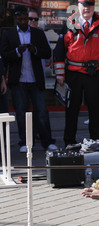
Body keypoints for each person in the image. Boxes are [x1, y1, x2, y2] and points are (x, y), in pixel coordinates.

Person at [53, 0, 99, 147]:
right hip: (73, 74)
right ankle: (69, 143)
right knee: (71, 111)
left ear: (94, 7)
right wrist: (60, 74)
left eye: (90, 6)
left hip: (94, 74)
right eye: (84, 5)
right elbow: (60, 51)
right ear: (78, 6)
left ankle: (96, 142)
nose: (87, 8)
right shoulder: (69, 24)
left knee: (95, 111)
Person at [0, 6, 57, 153]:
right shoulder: (9, 34)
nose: (24, 21)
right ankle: (24, 142)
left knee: (41, 111)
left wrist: (35, 50)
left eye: (25, 18)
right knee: (20, 112)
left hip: (35, 79)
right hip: (18, 80)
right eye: (20, 19)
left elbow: (47, 53)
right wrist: (18, 51)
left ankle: (47, 142)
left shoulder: (38, 33)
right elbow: (4, 56)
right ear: (16, 20)